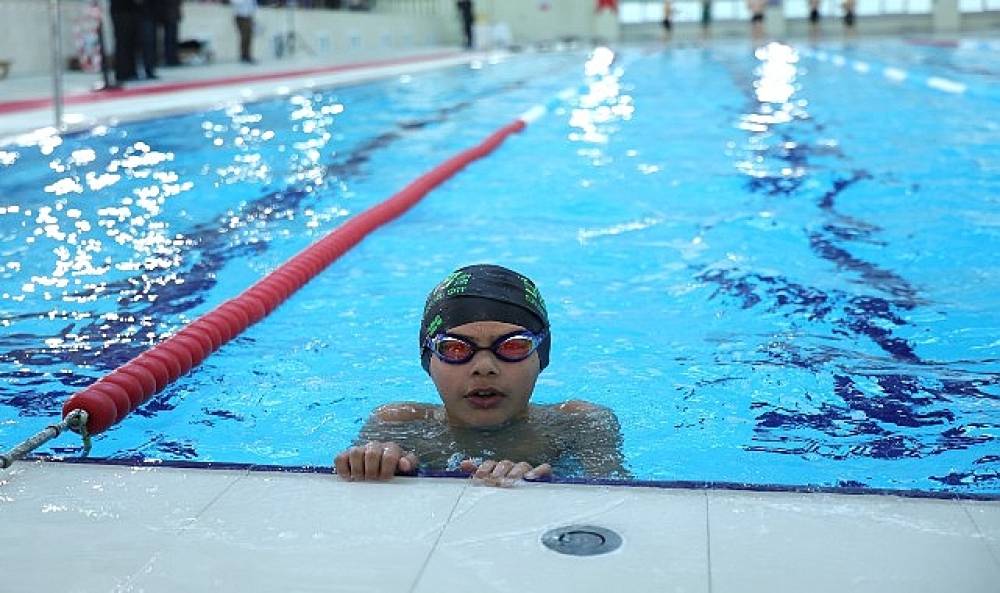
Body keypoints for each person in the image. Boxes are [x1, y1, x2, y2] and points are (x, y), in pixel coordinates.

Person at [333, 264, 629, 486]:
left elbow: (619, 503)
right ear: (428, 360)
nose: (484, 366)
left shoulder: (581, 424)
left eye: (513, 346)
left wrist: (547, 489)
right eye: (455, 348)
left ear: (542, 356)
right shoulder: (397, 426)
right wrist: (372, 464)